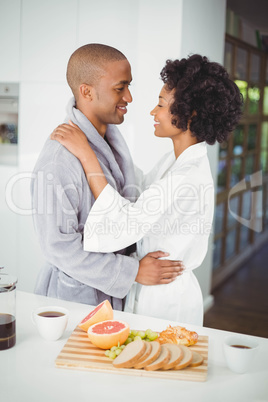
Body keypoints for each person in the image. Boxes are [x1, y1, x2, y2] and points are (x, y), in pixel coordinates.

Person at [50, 54, 243, 325]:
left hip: (165, 298)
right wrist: (109, 146)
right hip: (151, 289)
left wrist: (87, 155)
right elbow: (138, 187)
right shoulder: (176, 162)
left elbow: (125, 221)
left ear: (191, 113)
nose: (153, 111)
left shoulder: (186, 176)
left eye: (161, 104)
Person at [31, 43, 184, 310]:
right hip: (75, 302)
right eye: (119, 88)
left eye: (129, 86)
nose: (129, 98)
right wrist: (132, 271)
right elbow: (58, 247)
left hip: (112, 298)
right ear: (86, 91)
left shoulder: (110, 146)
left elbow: (130, 207)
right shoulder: (60, 160)